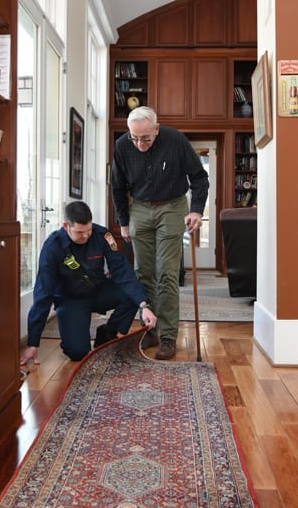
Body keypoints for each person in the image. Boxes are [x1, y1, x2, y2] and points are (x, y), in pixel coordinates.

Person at [112, 106, 209, 360]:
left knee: (166, 272)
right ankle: (150, 328)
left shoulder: (175, 140)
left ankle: (167, 336)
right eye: (135, 138)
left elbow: (199, 178)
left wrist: (196, 211)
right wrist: (124, 221)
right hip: (140, 209)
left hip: (173, 206)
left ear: (156, 128)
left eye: (146, 138)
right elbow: (118, 188)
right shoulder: (123, 146)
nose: (140, 144)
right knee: (143, 272)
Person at [20, 201, 157, 364]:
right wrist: (33, 343)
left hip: (98, 290)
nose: (85, 236)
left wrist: (143, 306)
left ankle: (107, 332)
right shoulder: (53, 248)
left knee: (135, 292)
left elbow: (121, 269)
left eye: (88, 230)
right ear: (66, 226)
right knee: (78, 353)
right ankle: (77, 337)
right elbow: (43, 294)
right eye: (79, 232)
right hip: (71, 299)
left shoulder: (102, 235)